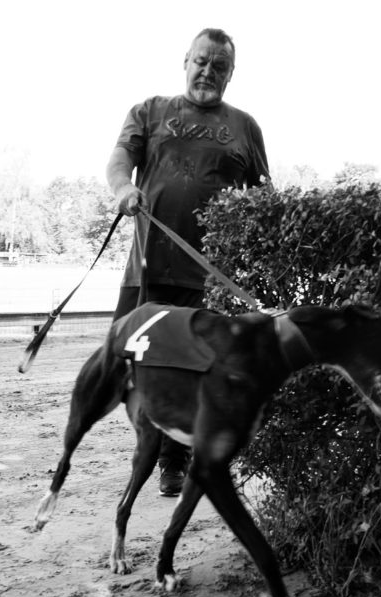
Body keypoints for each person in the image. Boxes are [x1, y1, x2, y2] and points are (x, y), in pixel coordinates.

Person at [106, 27, 270, 495]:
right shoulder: (151, 110)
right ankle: (160, 448)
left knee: (201, 368)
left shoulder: (244, 126)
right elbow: (120, 158)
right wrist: (123, 188)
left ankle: (179, 460)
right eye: (202, 60)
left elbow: (263, 195)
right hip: (149, 268)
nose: (208, 71)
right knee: (134, 363)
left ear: (231, 74)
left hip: (210, 276)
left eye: (220, 66)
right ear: (186, 60)